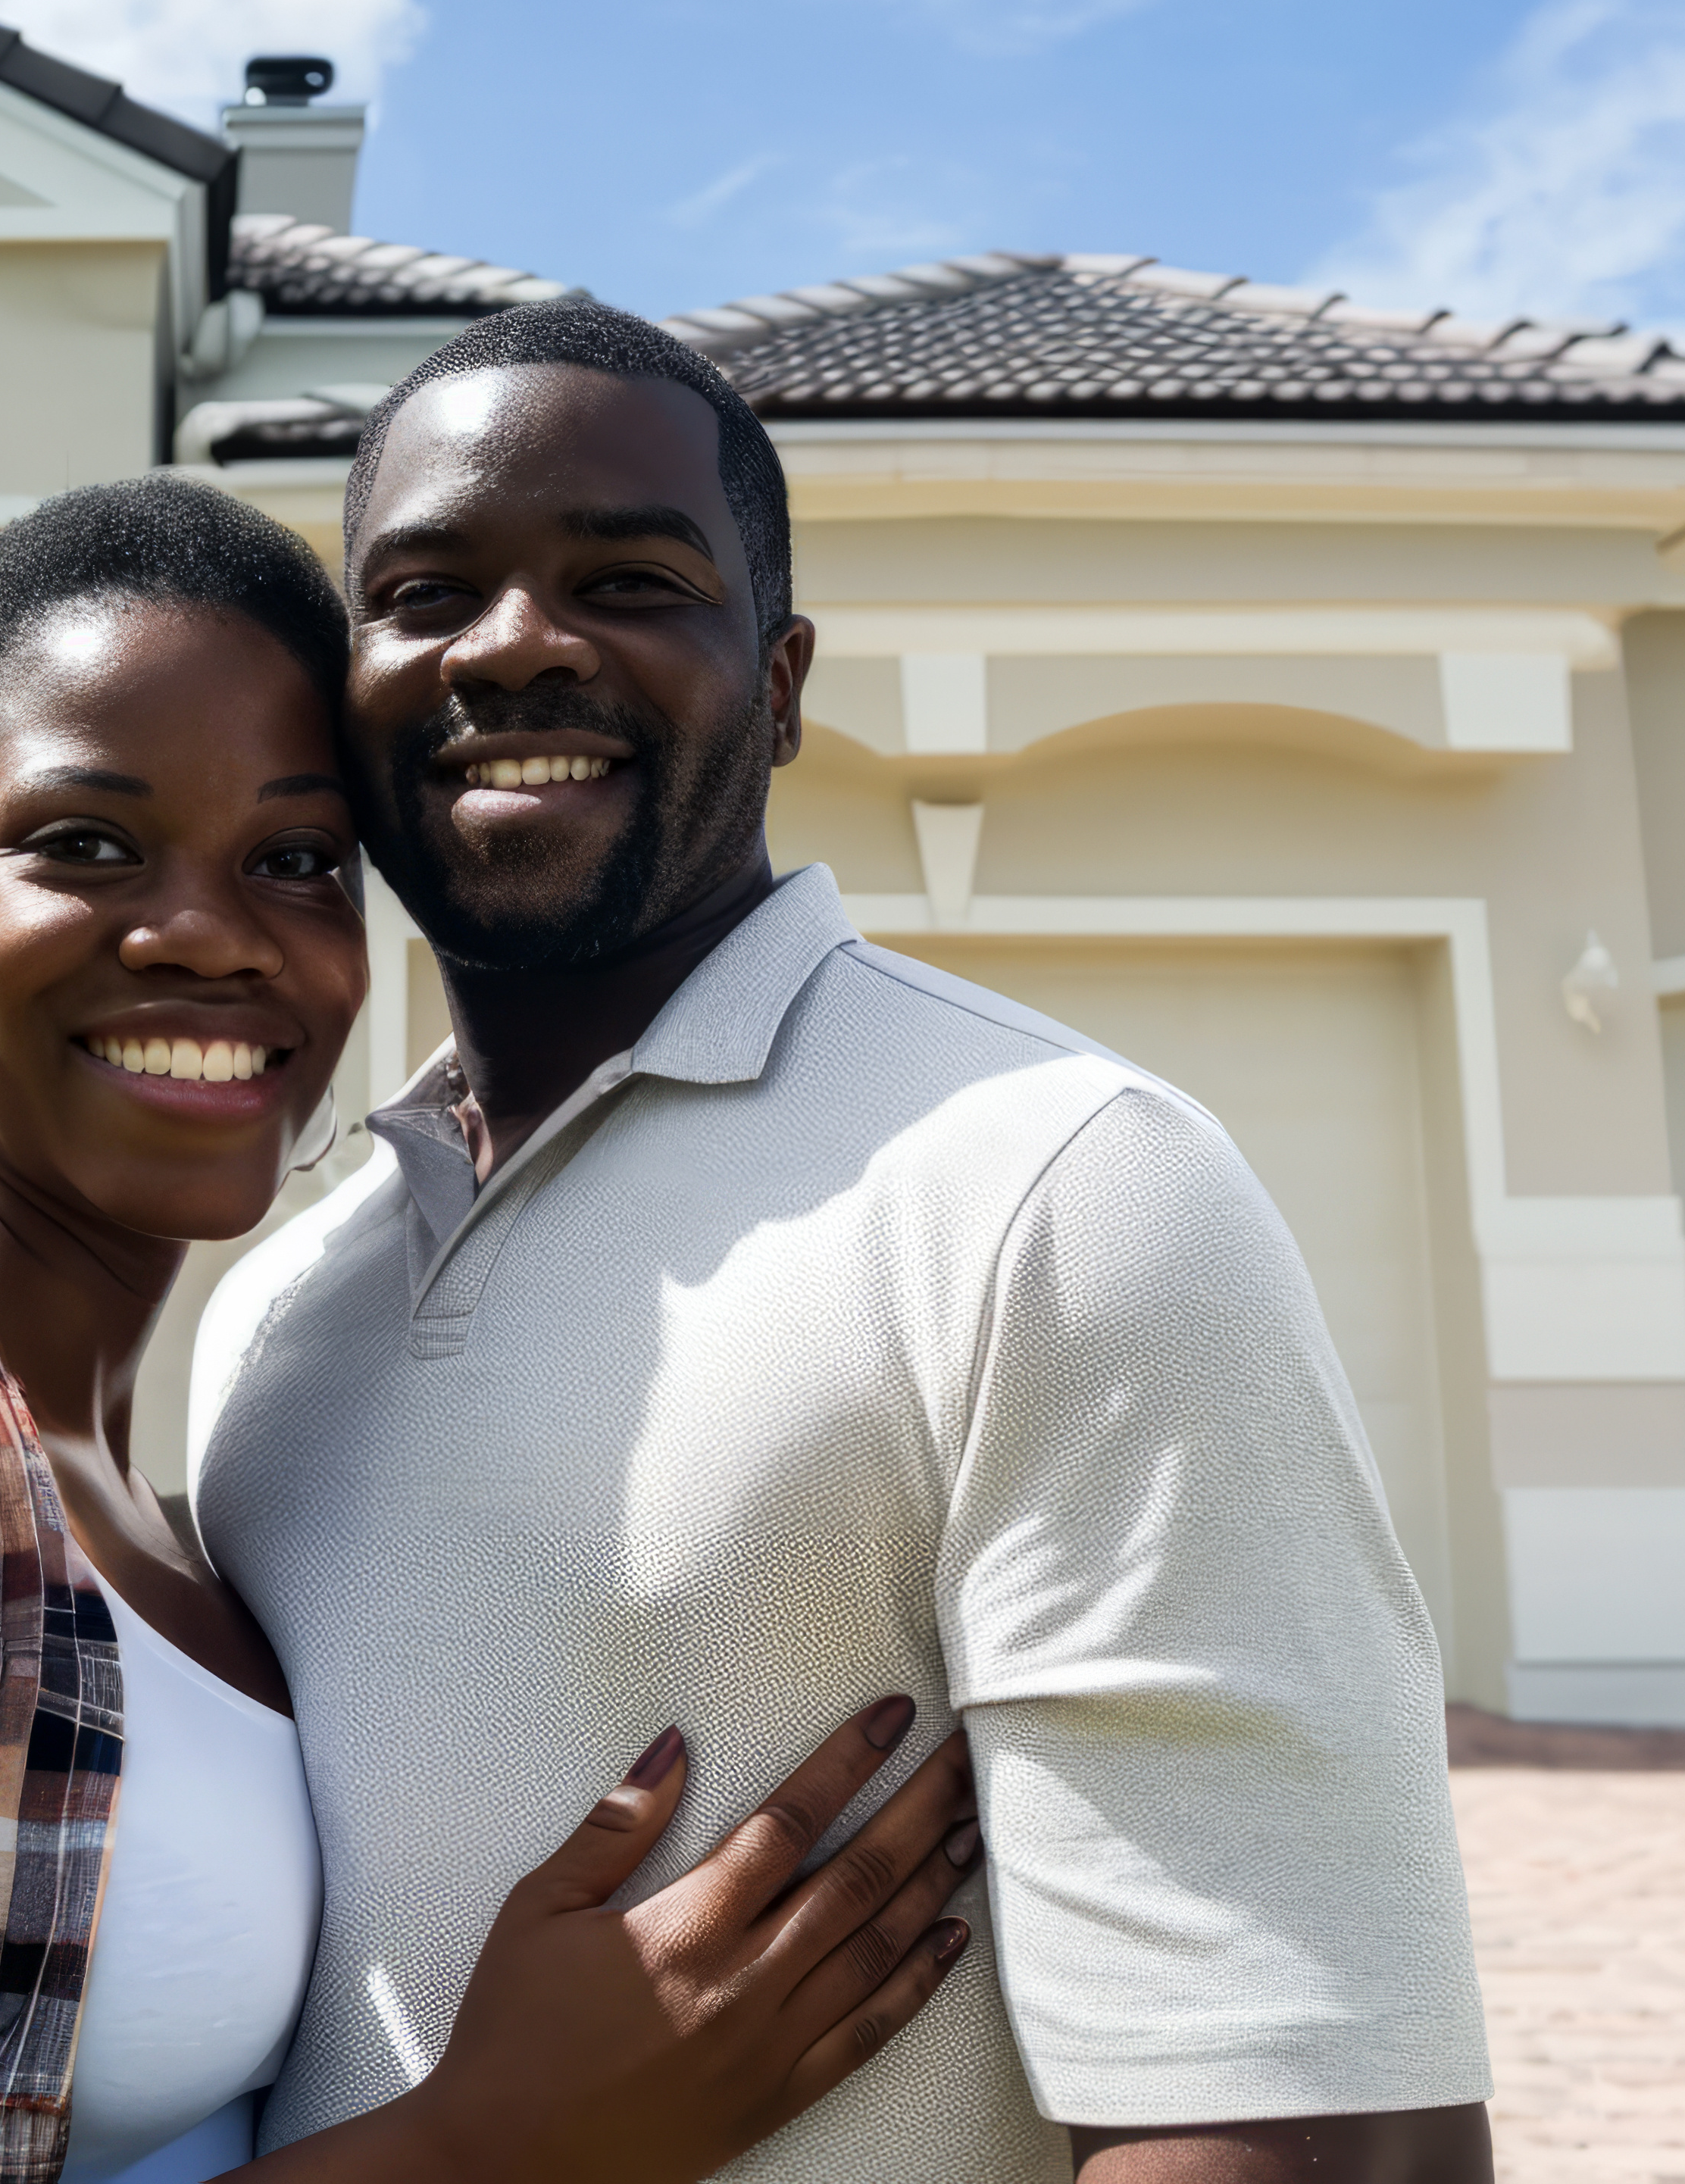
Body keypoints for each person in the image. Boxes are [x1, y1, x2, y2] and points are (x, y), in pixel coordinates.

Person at [0, 476, 991, 2184]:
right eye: (88, 842)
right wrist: (497, 2145)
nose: (209, 934)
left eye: (295, 859)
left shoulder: (173, 1489)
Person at [187, 305, 1499, 2183]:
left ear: (784, 684)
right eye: (427, 588)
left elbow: (1310, 2127)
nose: (520, 641)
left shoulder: (1062, 1188)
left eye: (628, 578)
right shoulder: (267, 1310)